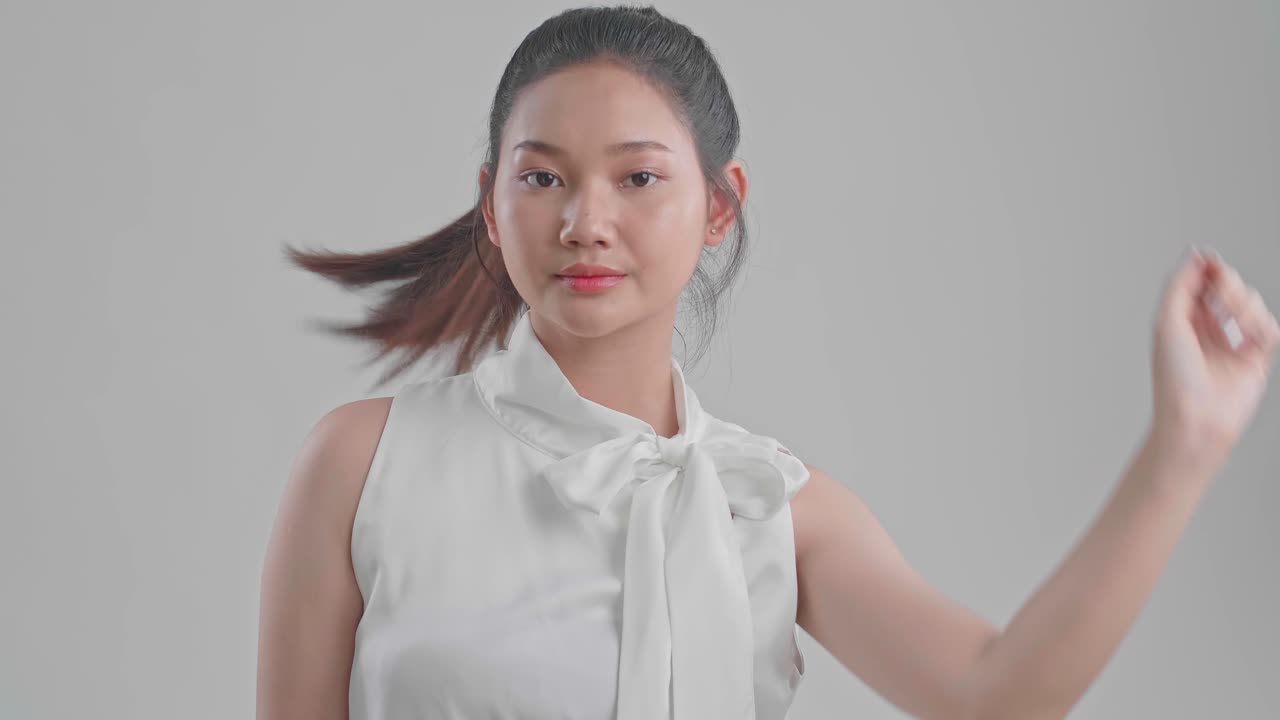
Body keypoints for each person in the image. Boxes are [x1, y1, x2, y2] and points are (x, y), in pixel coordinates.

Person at [256, 5, 1280, 719]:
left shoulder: (772, 508)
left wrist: (1181, 447)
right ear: (491, 203)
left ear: (717, 206)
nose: (584, 220)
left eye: (638, 176)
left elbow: (997, 696)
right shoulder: (363, 465)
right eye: (543, 177)